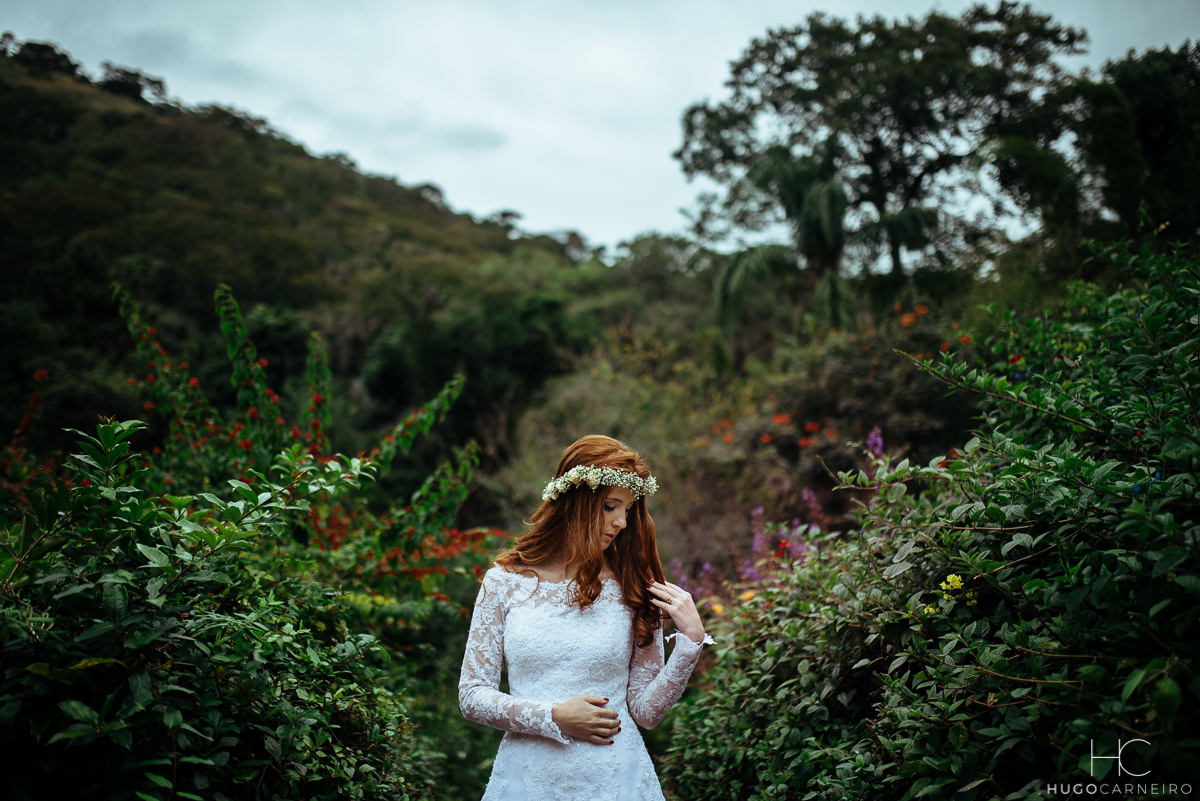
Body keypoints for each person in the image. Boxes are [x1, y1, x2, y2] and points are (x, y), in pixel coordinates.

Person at [459, 434, 713, 800]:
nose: (622, 522)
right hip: (528, 783)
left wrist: (690, 644)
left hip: (616, 782)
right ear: (576, 501)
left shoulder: (634, 587)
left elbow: (646, 711)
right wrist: (553, 716)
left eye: (628, 510)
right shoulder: (504, 583)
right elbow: (472, 696)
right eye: (611, 506)